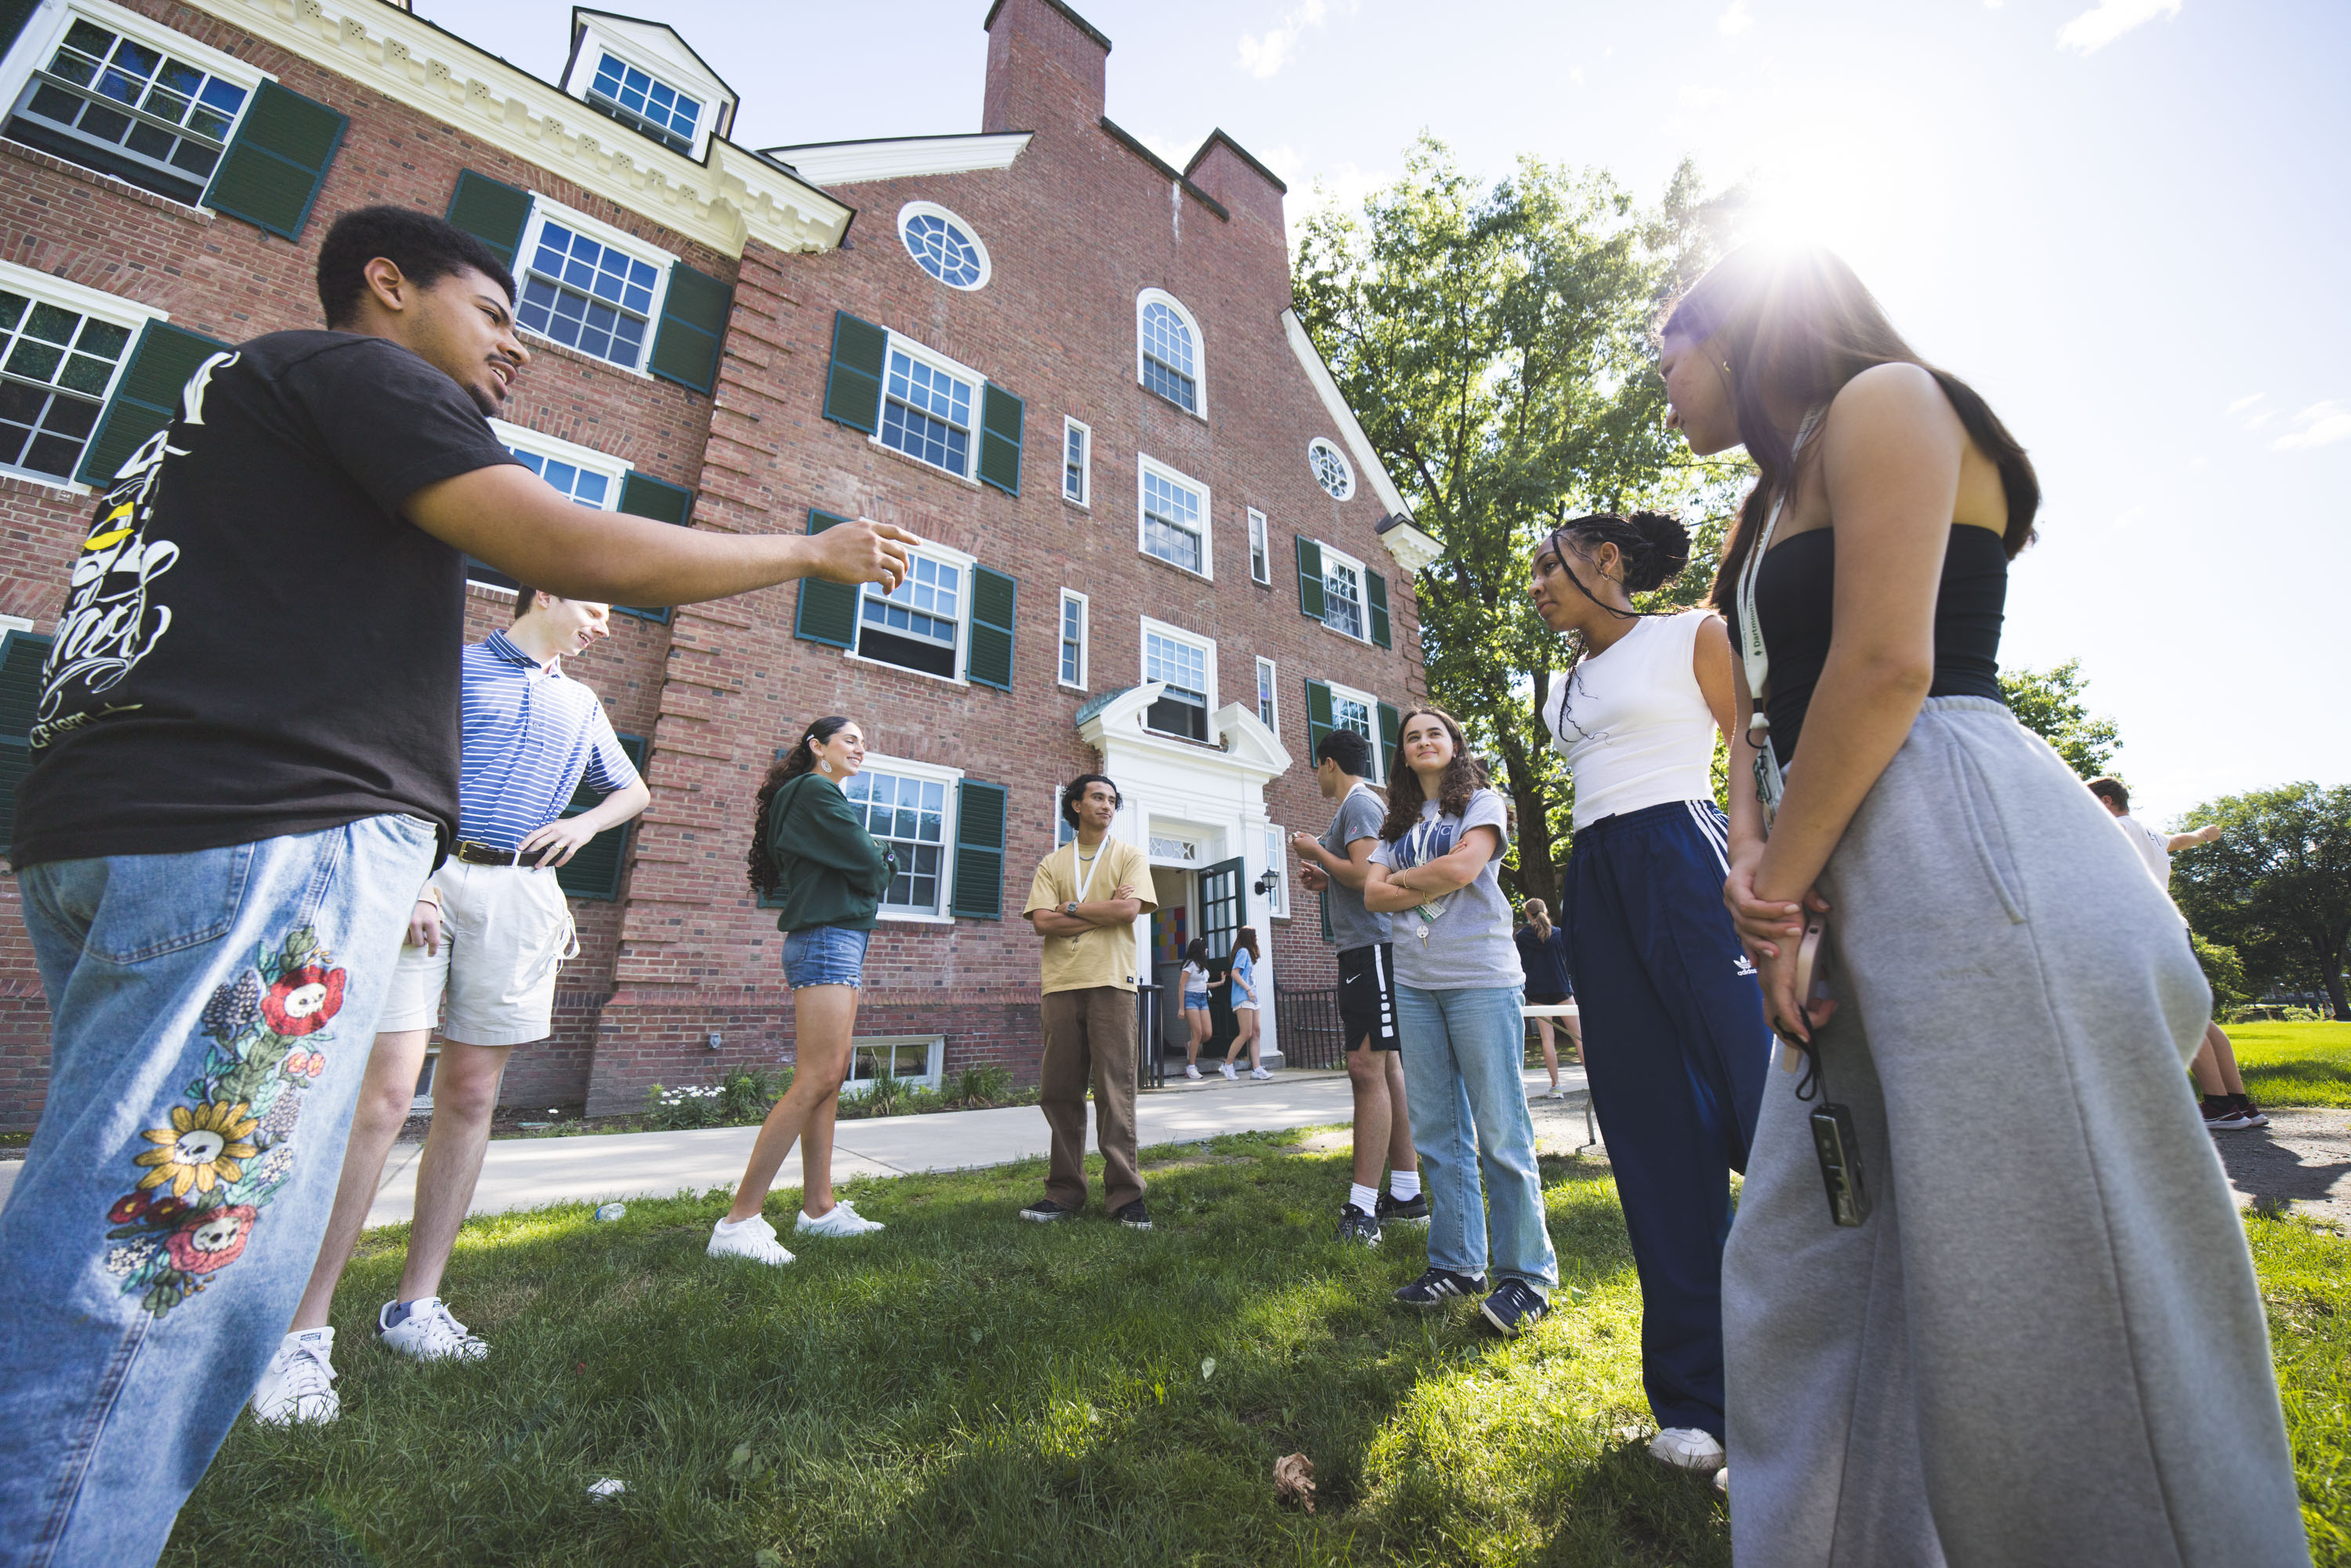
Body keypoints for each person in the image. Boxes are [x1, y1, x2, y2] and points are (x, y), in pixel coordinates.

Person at [0, 204, 913, 1566]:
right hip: (263, 839)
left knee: (99, 1208)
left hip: (104, 829)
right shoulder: (359, 373)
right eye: (495, 316)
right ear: (386, 285)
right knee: (167, 1266)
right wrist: (808, 552)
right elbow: (569, 544)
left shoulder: (196, 425)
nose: (518, 351)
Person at [1669, 242, 2305, 1561]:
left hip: (1967, 856)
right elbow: (1752, 731)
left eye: (1669, 351)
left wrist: (1777, 893)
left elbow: (1892, 662)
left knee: (2063, 1320)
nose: (1661, 383)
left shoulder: (1888, 400)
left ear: (1739, 330)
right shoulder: (1753, 522)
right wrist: (1758, 876)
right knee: (1803, 1282)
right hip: (1827, 877)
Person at [252, 588, 650, 1424]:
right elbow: (390, 773)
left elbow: (631, 792)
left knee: (470, 1097)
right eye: (597, 605)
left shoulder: (581, 703)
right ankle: (299, 1332)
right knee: (386, 1099)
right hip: (419, 884)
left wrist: (582, 827)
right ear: (545, 590)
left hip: (521, 896)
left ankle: (414, 1308)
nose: (608, 624)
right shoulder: (455, 670)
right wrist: (419, 881)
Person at [1529, 509, 1773, 1475]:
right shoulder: (1562, 685)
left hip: (1686, 849)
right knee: (1648, 1127)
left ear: (1607, 560)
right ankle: (1699, 1402)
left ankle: (1838, 1341)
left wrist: (1755, 851)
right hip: (1598, 876)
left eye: (1552, 564)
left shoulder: (1691, 633)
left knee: (1760, 1099)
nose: (1539, 583)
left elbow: (1749, 741)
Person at [1363, 707, 1559, 1337]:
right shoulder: (1395, 822)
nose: (1423, 740)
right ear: (1403, 752)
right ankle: (1457, 1263)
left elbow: (1463, 868)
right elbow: (1370, 895)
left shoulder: (1481, 802)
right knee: (1439, 1134)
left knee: (1500, 1130)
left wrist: (1399, 880)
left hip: (1479, 977)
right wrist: (1400, 880)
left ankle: (1528, 1275)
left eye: (1435, 732)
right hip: (1416, 985)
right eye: (1412, 735)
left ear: (1453, 744)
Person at [707, 718, 901, 1266]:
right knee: (816, 1076)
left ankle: (819, 1208)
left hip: (837, 937)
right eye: (849, 739)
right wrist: (880, 858)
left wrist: (873, 859)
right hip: (826, 939)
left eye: (865, 740)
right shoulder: (815, 790)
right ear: (817, 747)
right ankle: (738, 1220)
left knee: (830, 1076)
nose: (861, 746)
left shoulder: (817, 794)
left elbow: (864, 862)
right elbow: (870, 863)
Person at [1292, 727, 1422, 1246]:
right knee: (1386, 1068)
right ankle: (1409, 1195)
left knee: (1365, 1069)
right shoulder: (1358, 807)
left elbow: (1367, 874)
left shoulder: (1359, 804)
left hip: (1371, 949)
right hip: (1362, 951)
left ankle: (1363, 1209)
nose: (1316, 776)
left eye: (1316, 768)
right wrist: (1326, 875)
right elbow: (1358, 873)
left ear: (1328, 764)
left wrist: (1314, 851)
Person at [2087, 776, 2266, 1130]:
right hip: (2171, 926)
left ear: (2106, 802)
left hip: (2144, 929)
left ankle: (2219, 1106)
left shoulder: (2114, 832)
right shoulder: (2147, 833)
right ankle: (2241, 1104)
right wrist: (2203, 834)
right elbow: (2179, 841)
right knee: (2199, 1018)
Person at [1020, 775, 1157, 1228]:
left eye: (1113, 800)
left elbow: (1127, 912)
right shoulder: (1051, 863)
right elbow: (1041, 922)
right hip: (1059, 985)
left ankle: (1125, 1195)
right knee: (1059, 1091)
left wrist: (1072, 908)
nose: (1107, 805)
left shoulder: (1129, 856)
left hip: (1113, 983)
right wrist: (1095, 912)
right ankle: (1063, 1193)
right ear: (1076, 805)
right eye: (1098, 797)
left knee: (1115, 1089)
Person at [1512, 898, 1579, 1093]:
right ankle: (1595, 1083)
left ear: (1527, 914)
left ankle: (1555, 1086)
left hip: (1538, 991)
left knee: (1547, 1039)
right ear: (1546, 911)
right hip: (1562, 988)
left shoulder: (1522, 937)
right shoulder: (1558, 933)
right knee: (1579, 1037)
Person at [1217, 927, 1269, 1080]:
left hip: (1253, 998)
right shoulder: (1243, 952)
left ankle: (1257, 1069)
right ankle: (1227, 1065)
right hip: (1244, 997)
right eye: (1255, 936)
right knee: (1246, 1033)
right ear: (1249, 937)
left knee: (1256, 1032)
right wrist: (1248, 989)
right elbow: (1234, 974)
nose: (1257, 938)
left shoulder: (1247, 953)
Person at [1179, 939, 1215, 1079]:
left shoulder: (1203, 966)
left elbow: (1205, 985)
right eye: (1205, 948)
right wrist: (1181, 1008)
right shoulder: (1190, 964)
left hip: (1202, 999)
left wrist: (1221, 982)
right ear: (1200, 950)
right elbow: (1181, 985)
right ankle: (1191, 1068)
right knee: (1198, 1033)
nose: (1207, 951)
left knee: (1208, 1033)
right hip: (1190, 999)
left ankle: (1190, 1045)